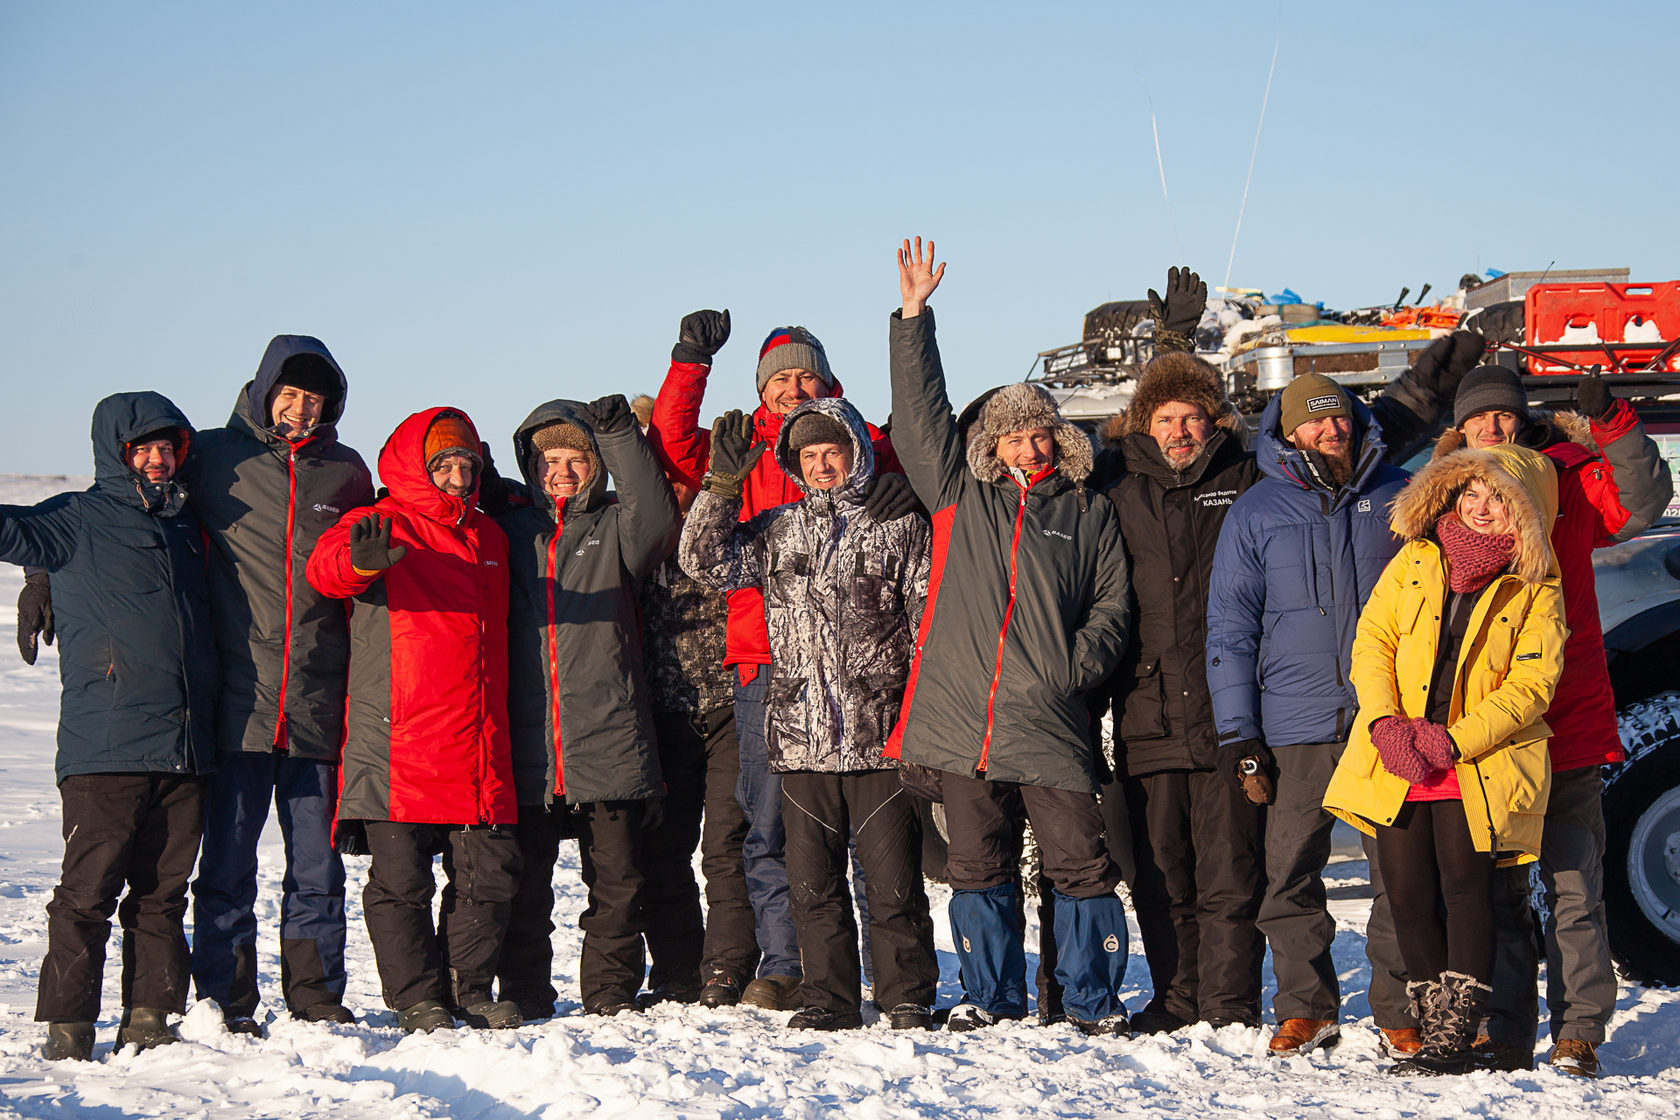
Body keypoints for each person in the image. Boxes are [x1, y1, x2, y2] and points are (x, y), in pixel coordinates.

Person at [886, 237, 1132, 1036]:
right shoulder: (959, 498)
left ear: (1057, 439)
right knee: (976, 870)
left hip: (1050, 721)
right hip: (961, 725)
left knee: (1083, 868)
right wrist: (914, 319)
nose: (1027, 446)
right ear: (989, 443)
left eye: (1039, 434)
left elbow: (1112, 607)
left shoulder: (1087, 511)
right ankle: (989, 998)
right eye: (1012, 435)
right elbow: (921, 416)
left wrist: (1069, 670)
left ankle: (1091, 1004)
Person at [649, 311, 912, 1011]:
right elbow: (672, 446)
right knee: (770, 826)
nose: (793, 388)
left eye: (806, 375)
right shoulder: (741, 449)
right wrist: (689, 363)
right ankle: (789, 962)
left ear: (830, 383)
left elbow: (927, 479)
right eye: (780, 379)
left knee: (870, 836)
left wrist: (905, 481)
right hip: (766, 662)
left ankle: (880, 972)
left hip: (861, 669)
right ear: (762, 392)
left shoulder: (872, 446)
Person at [681, 397, 940, 1031]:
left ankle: (905, 995)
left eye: (834, 453)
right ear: (795, 465)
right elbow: (702, 561)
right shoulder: (775, 528)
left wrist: (917, 722)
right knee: (813, 888)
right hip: (798, 739)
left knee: (892, 884)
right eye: (810, 456)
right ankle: (830, 998)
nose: (823, 465)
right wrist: (720, 487)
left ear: (855, 452)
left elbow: (924, 623)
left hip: (878, 736)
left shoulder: (901, 525)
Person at [1446, 364, 1673, 1077]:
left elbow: (1641, 504)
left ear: (1521, 419)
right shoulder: (1445, 497)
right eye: (1481, 417)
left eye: (1505, 415)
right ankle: (1506, 1031)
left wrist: (1614, 425)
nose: (1495, 427)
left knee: (1574, 885)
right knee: (1500, 889)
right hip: (1487, 727)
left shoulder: (1566, 479)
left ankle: (1579, 1031)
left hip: (1566, 717)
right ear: (1460, 428)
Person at [1326, 442, 1565, 1075]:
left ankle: (1455, 1037)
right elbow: (1372, 639)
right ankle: (1432, 1027)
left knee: (1466, 893)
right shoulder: (1415, 558)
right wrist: (1382, 722)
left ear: (1523, 511)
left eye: (1498, 499)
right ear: (1451, 498)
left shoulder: (1537, 583)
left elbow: (1532, 684)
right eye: (1471, 495)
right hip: (1398, 757)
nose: (1482, 509)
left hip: (1474, 761)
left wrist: (1453, 740)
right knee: (1405, 895)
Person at [1205, 372, 1417, 1056]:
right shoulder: (1256, 511)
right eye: (1315, 422)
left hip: (1386, 717)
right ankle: (1306, 1006)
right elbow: (1230, 627)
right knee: (1290, 870)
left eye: (1340, 420)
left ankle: (1398, 1007)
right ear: (1288, 433)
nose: (1331, 431)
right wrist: (1240, 731)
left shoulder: (1400, 494)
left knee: (1399, 874)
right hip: (1294, 721)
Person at [2, 393, 217, 1059]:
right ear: (117, 453)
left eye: (168, 446)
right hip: (106, 748)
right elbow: (15, 532)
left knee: (162, 895)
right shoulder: (75, 518)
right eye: (144, 447)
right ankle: (68, 1028)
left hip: (185, 749)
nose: (158, 458)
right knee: (86, 895)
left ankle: (151, 1015)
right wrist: (42, 572)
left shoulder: (188, 526)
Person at [306, 407, 521, 1033]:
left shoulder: (492, 536)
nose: (456, 473)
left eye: (466, 462)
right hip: (399, 739)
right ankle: (417, 998)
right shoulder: (379, 522)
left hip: (478, 736)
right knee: (401, 882)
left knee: (488, 876)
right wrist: (363, 563)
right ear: (413, 468)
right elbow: (328, 571)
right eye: (442, 463)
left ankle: (469, 990)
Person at [182, 336, 374, 1035]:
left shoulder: (346, 472)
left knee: (318, 868)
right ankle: (224, 998)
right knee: (227, 864)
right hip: (237, 702)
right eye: (289, 393)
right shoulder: (212, 456)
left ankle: (316, 993)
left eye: (314, 398)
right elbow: (134, 505)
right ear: (265, 391)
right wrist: (54, 570)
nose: (299, 408)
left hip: (317, 704)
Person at [494, 394, 680, 1018]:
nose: (564, 471)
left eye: (579, 458)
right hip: (528, 740)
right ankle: (524, 990)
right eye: (552, 458)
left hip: (608, 734)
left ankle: (609, 992)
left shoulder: (616, 527)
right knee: (526, 883)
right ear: (532, 463)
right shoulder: (514, 531)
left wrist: (621, 433)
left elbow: (656, 517)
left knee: (618, 882)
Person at [1100, 346, 1266, 1033]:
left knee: (1230, 870)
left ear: (1213, 420)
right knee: (1161, 874)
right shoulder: (1115, 484)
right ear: (1144, 422)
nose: (1179, 430)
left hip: (1232, 713)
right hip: (1148, 711)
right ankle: (1176, 998)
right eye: (1165, 416)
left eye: (1192, 415)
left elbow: (1321, 433)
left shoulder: (1247, 475)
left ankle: (1228, 1007)